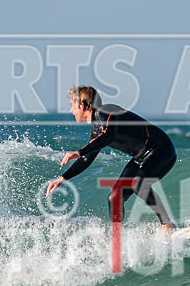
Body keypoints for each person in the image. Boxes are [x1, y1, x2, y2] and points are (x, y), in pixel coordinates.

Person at [45, 85, 178, 233]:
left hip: (161, 149)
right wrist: (62, 178)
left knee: (139, 184)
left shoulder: (107, 111)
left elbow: (109, 135)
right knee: (115, 197)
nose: (71, 111)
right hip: (140, 157)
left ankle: (167, 225)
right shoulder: (96, 130)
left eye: (72, 106)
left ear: (82, 106)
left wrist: (79, 152)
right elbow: (86, 159)